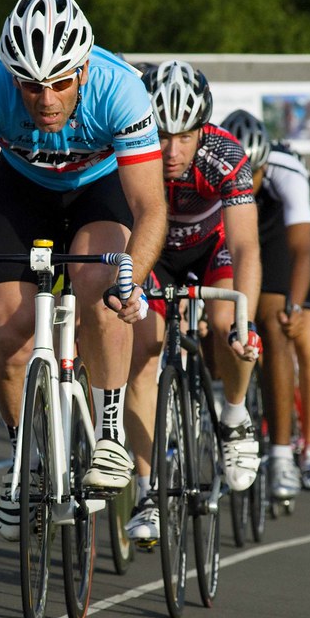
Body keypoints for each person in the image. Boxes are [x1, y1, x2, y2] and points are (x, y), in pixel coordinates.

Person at [0, 0, 167, 541]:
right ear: (12, 75)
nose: (46, 98)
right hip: (26, 193)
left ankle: (109, 434)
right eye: (31, 85)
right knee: (9, 330)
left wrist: (130, 274)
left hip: (97, 190)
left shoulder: (121, 89)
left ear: (83, 69)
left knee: (98, 282)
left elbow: (150, 206)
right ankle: (25, 460)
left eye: (61, 82)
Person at [123, 62, 262, 544]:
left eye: (184, 137)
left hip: (212, 251)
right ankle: (146, 492)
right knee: (142, 353)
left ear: (203, 129)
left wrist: (246, 322)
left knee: (228, 320)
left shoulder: (225, 155)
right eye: (161, 134)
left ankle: (235, 416)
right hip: (155, 253)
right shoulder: (128, 146)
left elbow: (246, 247)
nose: (171, 150)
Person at [223, 113, 310, 502]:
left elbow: (302, 249)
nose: (247, 183)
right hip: (224, 224)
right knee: (219, 320)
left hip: (273, 237)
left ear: (264, 164)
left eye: (253, 175)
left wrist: (294, 305)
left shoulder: (287, 171)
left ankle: (281, 454)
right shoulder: (214, 163)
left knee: (275, 328)